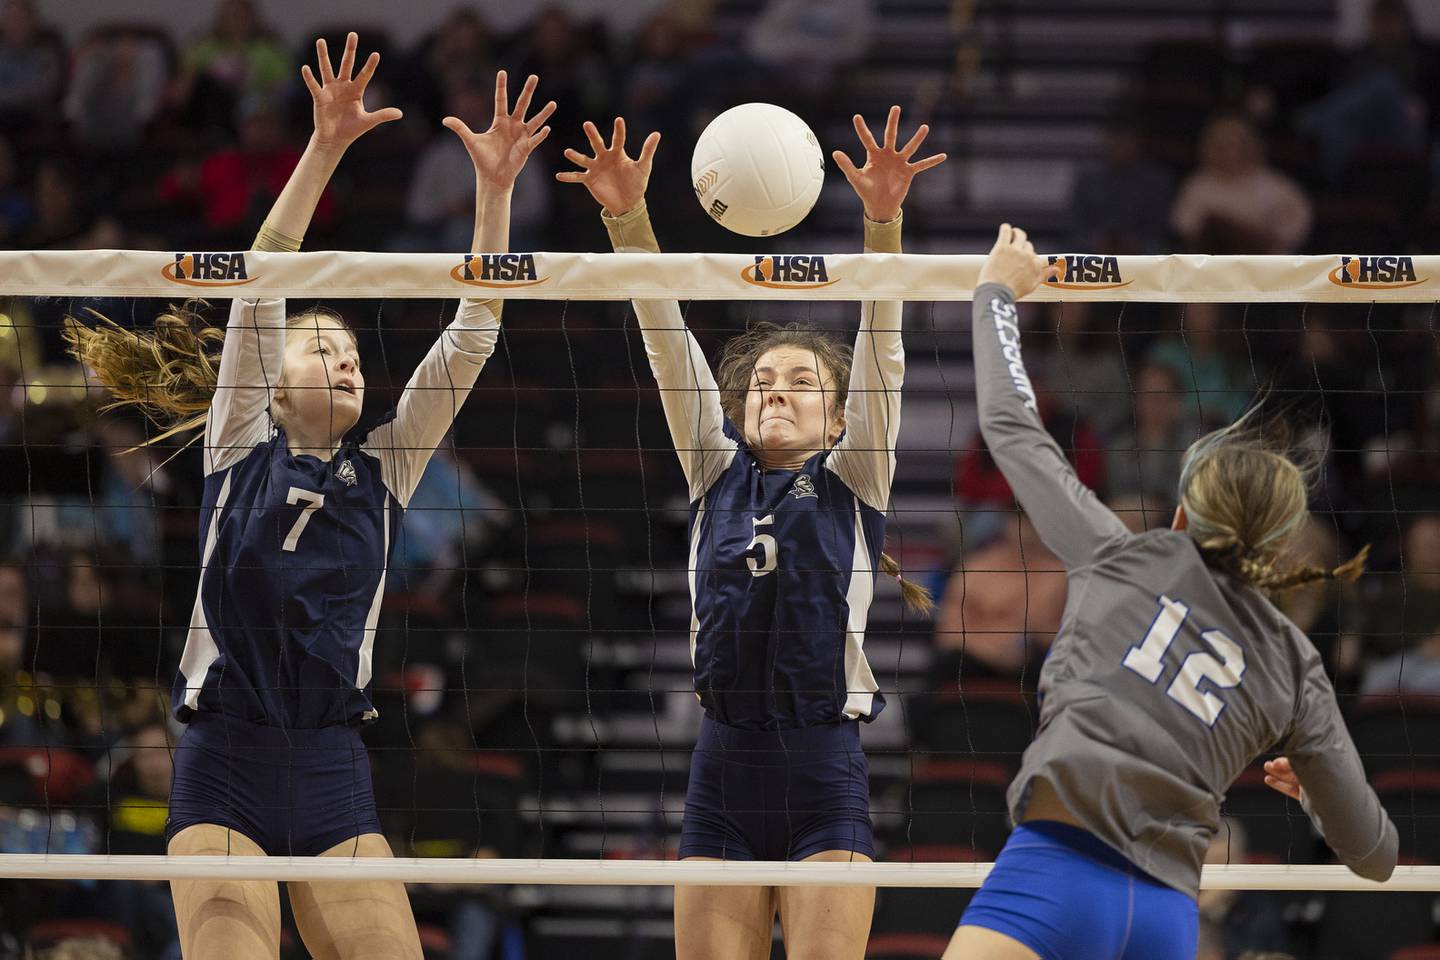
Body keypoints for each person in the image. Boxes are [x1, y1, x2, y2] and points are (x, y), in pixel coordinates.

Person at [64, 34, 554, 960]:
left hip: (332, 765)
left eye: (351, 350)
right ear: (274, 386)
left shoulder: (389, 467)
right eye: (316, 343)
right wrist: (323, 149)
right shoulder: (238, 443)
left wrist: (492, 194)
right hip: (225, 761)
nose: (338, 354)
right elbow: (264, 283)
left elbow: (472, 335)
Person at [943, 224, 1397, 959]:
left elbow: (1010, 427)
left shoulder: (1121, 554)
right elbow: (1374, 854)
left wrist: (996, 292)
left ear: (1184, 512)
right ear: (1277, 548)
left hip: (1055, 874)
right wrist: (1314, 794)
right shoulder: (1294, 663)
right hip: (1166, 914)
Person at [558, 105, 942, 960]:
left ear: (839, 416)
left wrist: (884, 222)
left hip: (824, 772)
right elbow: (665, 335)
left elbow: (884, 342)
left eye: (802, 381)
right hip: (722, 770)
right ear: (736, 406)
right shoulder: (713, 471)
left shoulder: (854, 477)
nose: (777, 389)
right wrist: (629, 217)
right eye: (763, 379)